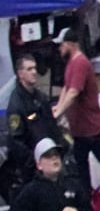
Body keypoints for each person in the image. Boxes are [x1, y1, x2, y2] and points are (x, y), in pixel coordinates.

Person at [50, 27, 100, 203]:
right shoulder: (71, 64)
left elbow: (74, 91)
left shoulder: (80, 63)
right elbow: (66, 87)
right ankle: (88, 198)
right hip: (80, 129)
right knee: (82, 164)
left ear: (70, 44)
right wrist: (58, 106)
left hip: (89, 127)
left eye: (61, 45)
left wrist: (60, 111)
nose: (59, 48)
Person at [6, 54, 64, 198]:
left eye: (35, 68)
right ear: (20, 74)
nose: (34, 72)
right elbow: (16, 141)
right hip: (34, 170)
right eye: (29, 69)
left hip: (51, 161)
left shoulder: (41, 98)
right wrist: (35, 162)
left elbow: (52, 127)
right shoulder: (16, 105)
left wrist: (61, 148)